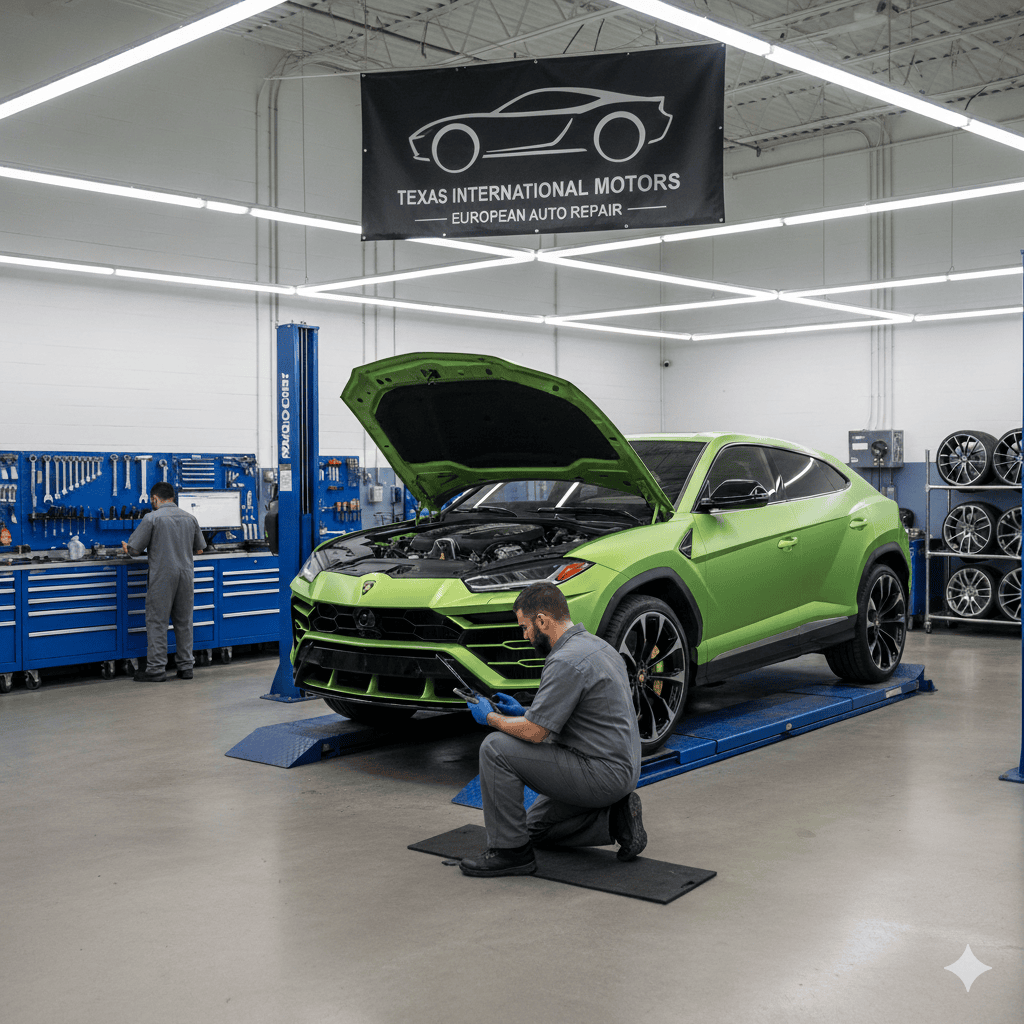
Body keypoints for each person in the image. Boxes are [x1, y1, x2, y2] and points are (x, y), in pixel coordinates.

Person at [459, 581, 646, 878]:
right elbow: (579, 717)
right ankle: (615, 820)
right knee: (536, 830)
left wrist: (490, 718)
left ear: (542, 620)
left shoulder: (565, 660)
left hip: (600, 772)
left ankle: (510, 854)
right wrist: (521, 712)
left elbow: (535, 733)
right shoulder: (599, 647)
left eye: (525, 627)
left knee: (495, 747)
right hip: (619, 769)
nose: (525, 635)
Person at [122, 482, 205, 682]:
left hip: (163, 576)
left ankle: (156, 669)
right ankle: (186, 667)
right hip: (185, 575)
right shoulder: (190, 517)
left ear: (154, 498)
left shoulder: (152, 518)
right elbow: (200, 549)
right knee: (184, 622)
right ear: (172, 497)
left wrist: (127, 548)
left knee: (157, 622)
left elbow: (134, 551)